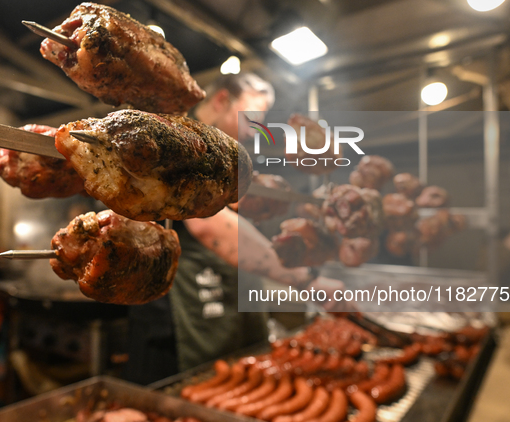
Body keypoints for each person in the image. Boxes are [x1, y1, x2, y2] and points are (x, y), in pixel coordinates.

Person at [124, 73, 346, 385]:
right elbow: (210, 227)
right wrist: (305, 279)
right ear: (221, 101)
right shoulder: (182, 139)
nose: (257, 131)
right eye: (253, 118)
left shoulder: (228, 161)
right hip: (184, 313)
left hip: (230, 301)